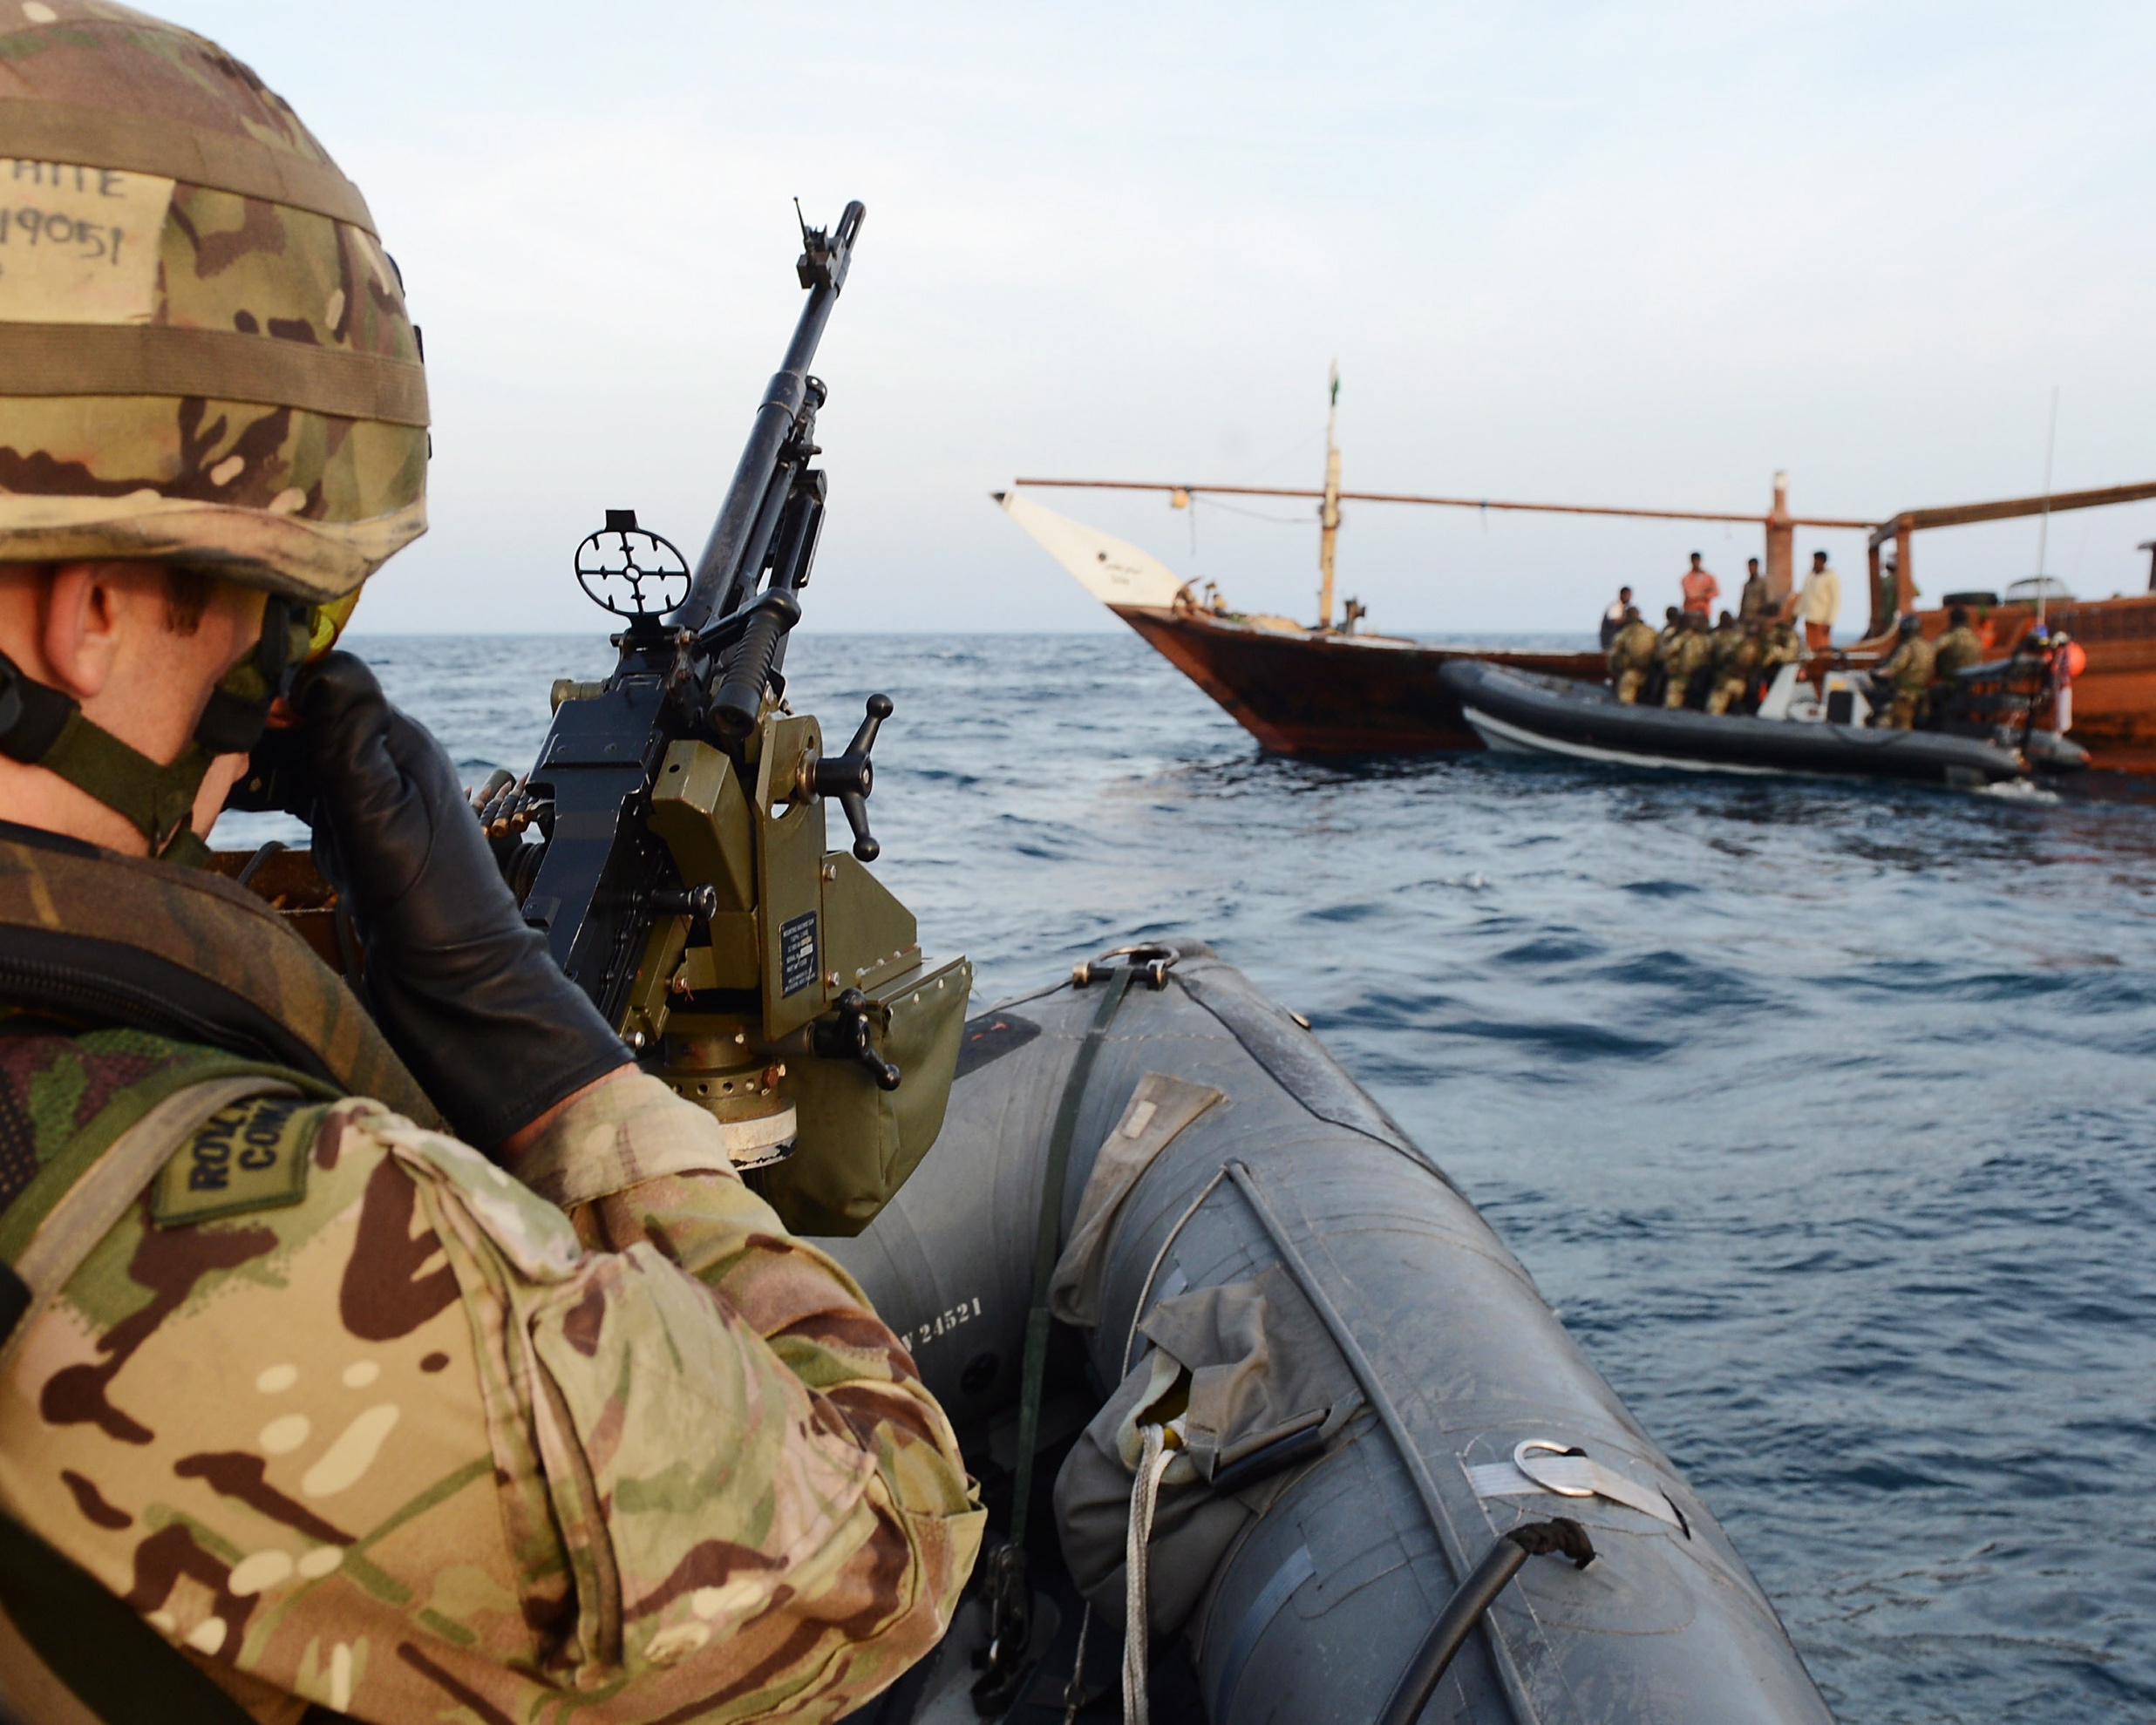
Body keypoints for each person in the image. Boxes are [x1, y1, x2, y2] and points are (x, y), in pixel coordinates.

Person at [0, 12, 979, 1724]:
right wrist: (561, 1074)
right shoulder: (260, 1244)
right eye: (292, 611)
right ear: (86, 614)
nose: (286, 683)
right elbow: (880, 1544)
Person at [1874, 615, 1936, 729]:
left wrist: (1874, 673)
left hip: (1903, 697)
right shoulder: (1928, 647)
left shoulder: (1907, 648)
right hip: (1922, 697)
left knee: (1883, 723)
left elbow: (1892, 670)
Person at [1705, 621, 1765, 716]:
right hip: (1742, 683)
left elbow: (1722, 657)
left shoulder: (1736, 643)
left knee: (1714, 711)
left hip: (1727, 680)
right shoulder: (1759, 647)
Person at [1607, 604, 1659, 703]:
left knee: (1625, 701)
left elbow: (1614, 657)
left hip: (1631, 673)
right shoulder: (1652, 631)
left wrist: (1615, 671)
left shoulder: (1624, 634)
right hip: (1652, 674)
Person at [1662, 609, 1714, 709]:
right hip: (1687, 677)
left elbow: (1667, 652)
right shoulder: (1706, 639)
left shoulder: (1685, 637)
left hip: (1691, 678)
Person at [1794, 550, 1840, 653]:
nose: (1815, 563)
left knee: (1822, 649)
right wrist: (1797, 613)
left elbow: (1835, 600)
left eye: (1817, 561)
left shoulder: (1831, 577)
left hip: (1822, 620)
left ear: (1823, 561)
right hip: (1810, 617)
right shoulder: (1809, 576)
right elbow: (1804, 595)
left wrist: (1830, 621)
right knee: (1810, 649)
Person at [1933, 606, 1985, 681]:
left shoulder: (1950, 637)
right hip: (1971, 681)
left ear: (1952, 620)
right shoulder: (1975, 638)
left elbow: (1931, 650)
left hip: (1952, 681)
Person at [1680, 553, 1720, 618]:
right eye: (1695, 560)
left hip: (1704, 612)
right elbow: (1690, 595)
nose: (1696, 562)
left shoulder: (1709, 577)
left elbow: (1716, 592)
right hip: (1690, 612)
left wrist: (1704, 594)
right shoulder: (1687, 578)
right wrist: (1705, 592)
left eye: (1697, 560)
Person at [1738, 557, 1773, 623]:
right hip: (1746, 617)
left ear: (1756, 567)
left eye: (1752, 566)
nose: (1751, 569)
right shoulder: (1747, 585)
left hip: (1758, 618)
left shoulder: (1763, 583)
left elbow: (1767, 599)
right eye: (1749, 566)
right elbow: (1743, 602)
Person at [1600, 585, 1634, 649]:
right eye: (1628, 595)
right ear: (1622, 595)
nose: (1629, 597)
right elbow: (1614, 622)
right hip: (1610, 639)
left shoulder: (1626, 608)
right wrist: (1628, 620)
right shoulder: (1615, 607)